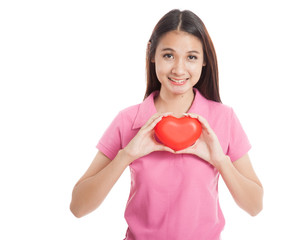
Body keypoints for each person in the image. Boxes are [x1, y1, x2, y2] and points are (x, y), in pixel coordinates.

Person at [70, 9, 263, 240]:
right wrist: (126, 155)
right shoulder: (129, 120)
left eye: (191, 57)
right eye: (168, 55)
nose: (179, 69)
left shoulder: (223, 118)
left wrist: (220, 161)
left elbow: (255, 206)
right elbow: (78, 207)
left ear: (204, 61)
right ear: (152, 55)